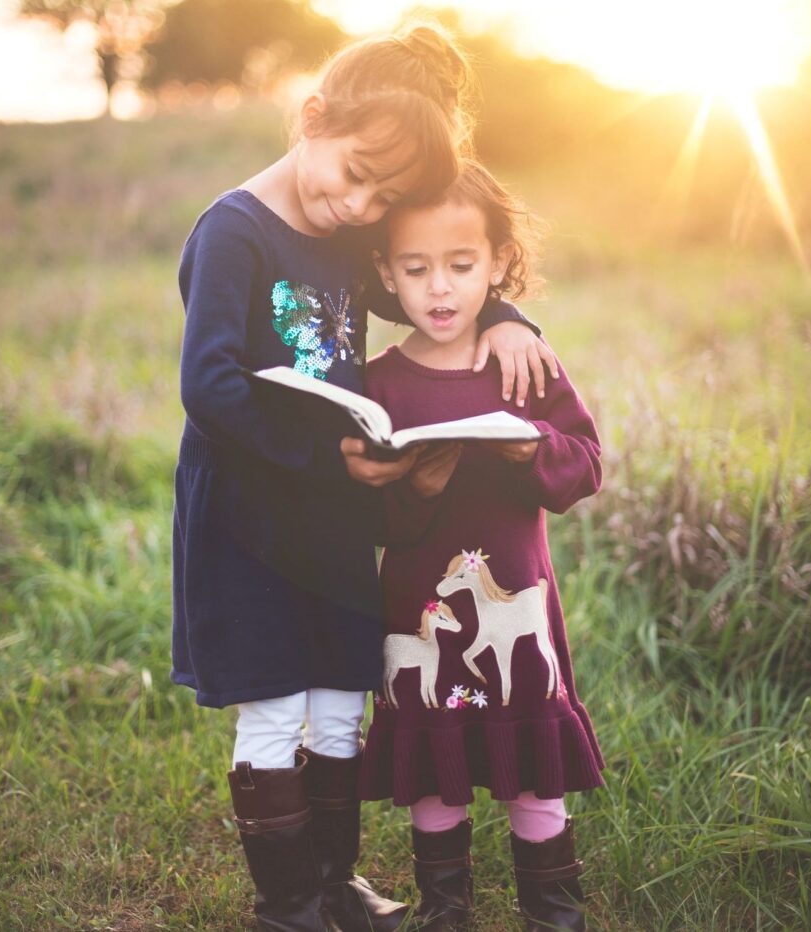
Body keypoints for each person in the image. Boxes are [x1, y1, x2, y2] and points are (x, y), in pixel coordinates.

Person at [171, 25, 558, 932]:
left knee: (344, 696)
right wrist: (322, 457)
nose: (360, 206)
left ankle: (335, 882)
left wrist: (504, 315)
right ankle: (287, 903)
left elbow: (423, 288)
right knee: (275, 702)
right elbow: (209, 386)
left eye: (384, 196)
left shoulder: (349, 233)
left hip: (337, 511)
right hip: (251, 514)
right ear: (312, 118)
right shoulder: (234, 232)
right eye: (355, 176)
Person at [358, 160, 605, 931]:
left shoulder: (522, 363)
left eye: (461, 267)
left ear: (497, 265)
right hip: (419, 607)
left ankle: (553, 909)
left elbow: (586, 463)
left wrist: (531, 450)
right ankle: (445, 909)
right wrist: (418, 490)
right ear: (384, 272)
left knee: (534, 768)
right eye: (416, 268)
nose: (439, 289)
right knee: (435, 766)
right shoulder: (380, 386)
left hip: (515, 596)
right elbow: (372, 521)